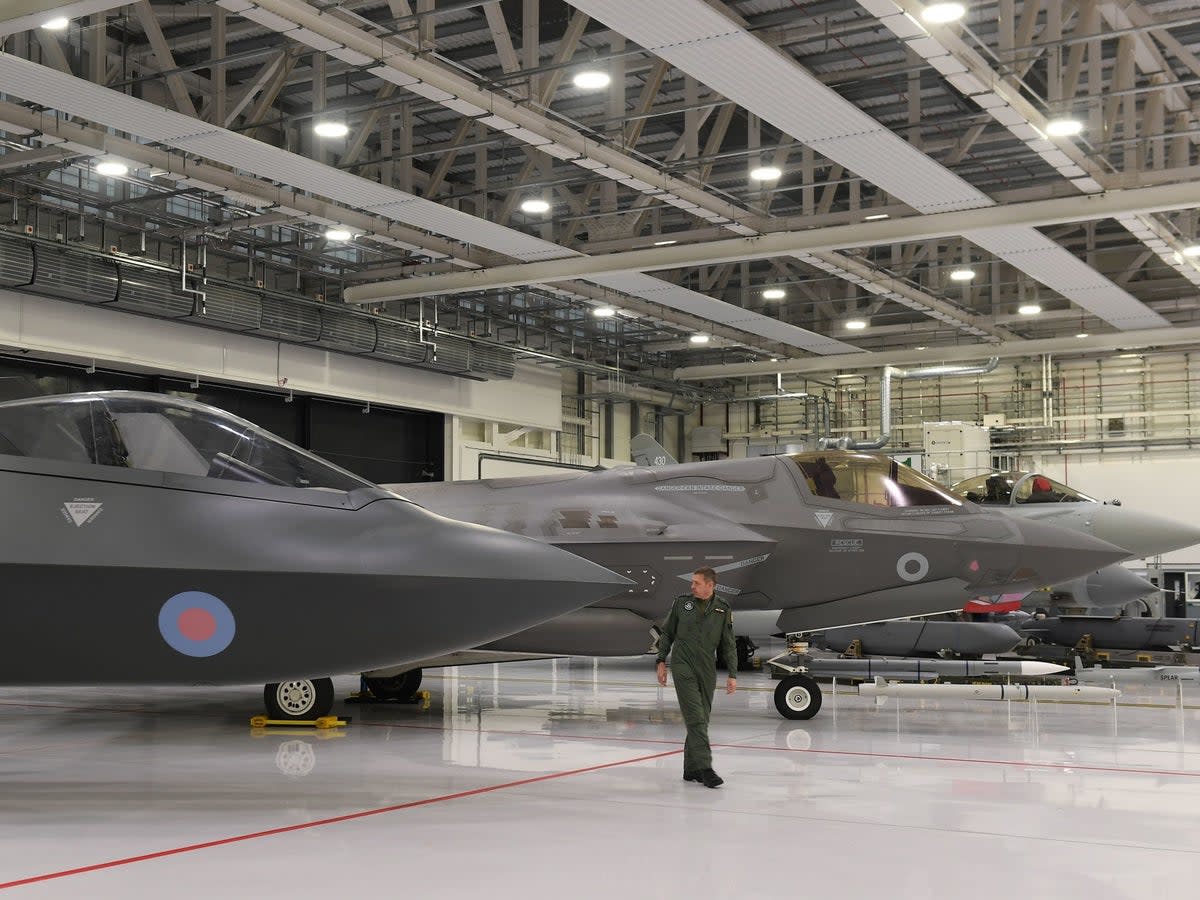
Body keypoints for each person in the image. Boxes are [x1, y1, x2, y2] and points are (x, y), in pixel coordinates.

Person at [655, 567, 737, 788]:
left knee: (703, 719)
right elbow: (667, 633)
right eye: (692, 582)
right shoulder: (682, 604)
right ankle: (706, 769)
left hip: (707, 667)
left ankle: (690, 769)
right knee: (696, 718)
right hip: (683, 666)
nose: (692, 586)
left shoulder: (722, 608)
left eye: (697, 583)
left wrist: (732, 673)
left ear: (710, 585)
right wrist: (661, 660)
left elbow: (728, 643)